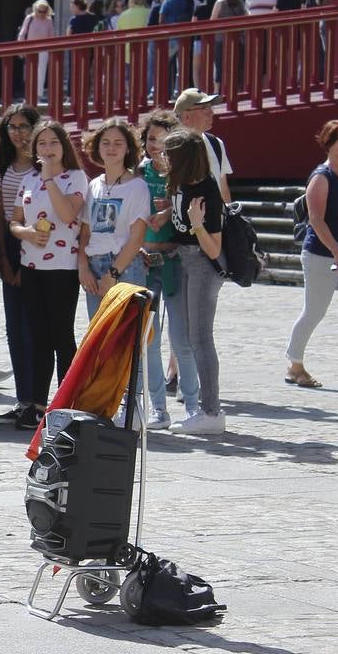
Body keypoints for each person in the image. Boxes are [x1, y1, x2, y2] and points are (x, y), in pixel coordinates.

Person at [10, 120, 87, 430]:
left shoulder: (76, 178)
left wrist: (50, 179)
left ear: (63, 146)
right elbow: (14, 222)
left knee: (61, 335)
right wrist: (26, 233)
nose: (47, 149)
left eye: (53, 143)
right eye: (41, 144)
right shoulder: (27, 179)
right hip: (32, 265)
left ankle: (66, 402)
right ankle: (37, 403)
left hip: (62, 267)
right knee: (37, 337)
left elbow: (69, 214)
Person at [285, 119, 338, 387]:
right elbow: (316, 220)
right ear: (330, 144)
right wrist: (337, 251)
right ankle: (295, 364)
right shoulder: (321, 177)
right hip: (322, 256)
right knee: (314, 312)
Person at [137, 111, 200, 428]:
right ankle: (158, 409)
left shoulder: (182, 175)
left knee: (181, 339)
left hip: (175, 262)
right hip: (146, 261)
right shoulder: (137, 173)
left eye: (163, 140)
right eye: (151, 139)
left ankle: (193, 406)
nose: (156, 146)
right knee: (149, 340)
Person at [165, 127, 229, 435]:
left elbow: (214, 248)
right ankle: (205, 408)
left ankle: (211, 411)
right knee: (189, 337)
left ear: (182, 159)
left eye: (169, 154)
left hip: (203, 266)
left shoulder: (207, 191)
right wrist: (165, 215)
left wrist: (197, 224)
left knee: (201, 338)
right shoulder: (180, 183)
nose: (163, 158)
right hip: (183, 261)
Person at [0, 104, 41, 424]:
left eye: (24, 126)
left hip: (39, 245)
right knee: (14, 329)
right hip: (8, 245)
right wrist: (5, 258)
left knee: (36, 328)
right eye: (13, 127)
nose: (19, 133)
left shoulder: (45, 167)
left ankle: (39, 401)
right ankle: (23, 400)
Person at [78, 118, 150, 319]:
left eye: (118, 143)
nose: (111, 148)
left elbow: (137, 238)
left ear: (128, 148)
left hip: (125, 268)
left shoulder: (137, 187)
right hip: (93, 267)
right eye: (106, 142)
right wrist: (83, 267)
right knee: (100, 340)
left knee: (127, 342)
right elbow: (85, 232)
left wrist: (113, 274)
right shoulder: (94, 185)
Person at [174, 87, 233, 203]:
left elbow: (223, 187)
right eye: (205, 108)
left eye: (211, 107)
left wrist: (229, 216)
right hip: (184, 219)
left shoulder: (216, 143)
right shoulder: (172, 147)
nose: (212, 113)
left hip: (214, 219)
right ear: (187, 116)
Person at [17, 0, 56, 98]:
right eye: (39, 11)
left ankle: (38, 96)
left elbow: (51, 36)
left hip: (43, 49)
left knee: (41, 72)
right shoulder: (29, 18)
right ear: (35, 9)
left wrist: (52, 51)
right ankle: (29, 94)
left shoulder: (49, 20)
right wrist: (21, 48)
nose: (42, 14)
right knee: (29, 72)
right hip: (30, 49)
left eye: (44, 11)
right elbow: (22, 34)